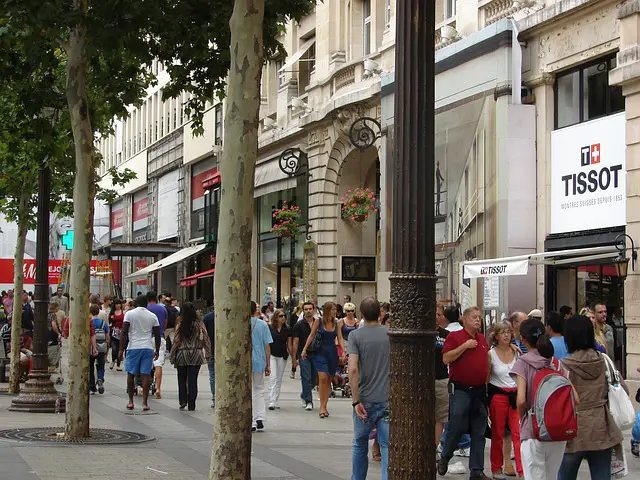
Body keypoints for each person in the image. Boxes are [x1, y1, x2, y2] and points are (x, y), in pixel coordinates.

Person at [558, 314, 624, 480]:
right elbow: (622, 388)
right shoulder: (604, 360)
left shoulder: (563, 366)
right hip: (601, 427)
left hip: (571, 430)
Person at [510, 318, 572, 479]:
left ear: (522, 339)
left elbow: (521, 400)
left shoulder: (523, 363)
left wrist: (522, 418)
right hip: (557, 431)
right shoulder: (557, 364)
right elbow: (575, 398)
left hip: (533, 430)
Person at [438, 306, 490, 479]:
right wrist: (465, 346)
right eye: (474, 317)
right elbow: (446, 358)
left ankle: (477, 470)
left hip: (479, 391)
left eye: (479, 317)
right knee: (457, 424)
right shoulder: (455, 337)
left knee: (479, 430)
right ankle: (445, 456)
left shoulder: (482, 339)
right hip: (460, 389)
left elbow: (487, 361)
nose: (478, 320)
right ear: (465, 319)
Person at [349, 297, 390, 480]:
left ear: (361, 315)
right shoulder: (391, 333)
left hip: (365, 399)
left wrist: (355, 400)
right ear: (380, 314)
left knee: (360, 443)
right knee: (387, 445)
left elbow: (353, 368)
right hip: (387, 397)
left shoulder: (355, 336)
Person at [487, 322, 523, 479]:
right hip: (498, 396)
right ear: (496, 336)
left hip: (515, 396)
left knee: (518, 434)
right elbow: (486, 379)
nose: (506, 335)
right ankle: (496, 468)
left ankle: (522, 470)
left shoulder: (517, 353)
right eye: (503, 332)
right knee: (498, 434)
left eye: (509, 332)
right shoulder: (491, 354)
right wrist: (486, 402)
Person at [301, 301, 346, 418]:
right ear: (327, 310)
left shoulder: (337, 323)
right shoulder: (319, 321)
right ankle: (321, 407)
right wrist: (304, 349)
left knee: (329, 379)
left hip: (332, 353)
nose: (334, 312)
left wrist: (344, 351)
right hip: (320, 352)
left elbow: (340, 337)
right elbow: (311, 335)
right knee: (322, 377)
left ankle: (325, 405)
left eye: (335, 309)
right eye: (332, 309)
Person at [118, 295, 161, 411]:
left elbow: (124, 332)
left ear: (136, 303)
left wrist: (121, 349)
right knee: (145, 374)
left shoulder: (129, 314)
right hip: (147, 347)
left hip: (133, 347)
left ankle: (131, 401)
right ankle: (145, 403)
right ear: (146, 304)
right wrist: (157, 349)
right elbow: (157, 334)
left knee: (131, 374)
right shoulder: (152, 316)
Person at [170, 302, 211, 411]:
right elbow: (206, 338)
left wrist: (172, 354)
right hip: (196, 353)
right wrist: (208, 353)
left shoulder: (180, 322)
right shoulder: (199, 323)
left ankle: (183, 400)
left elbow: (176, 340)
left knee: (181, 378)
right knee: (193, 380)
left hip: (182, 353)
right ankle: (192, 403)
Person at [250, 301, 272, 431]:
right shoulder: (263, 325)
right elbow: (267, 346)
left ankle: (251, 420)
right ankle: (259, 418)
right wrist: (268, 364)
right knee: (258, 389)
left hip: (245, 360)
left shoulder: (241, 324)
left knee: (248, 390)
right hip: (259, 359)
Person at [293, 302, 317, 411]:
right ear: (303, 311)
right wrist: (294, 358)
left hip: (316, 353)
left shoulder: (318, 323)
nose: (308, 311)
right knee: (306, 377)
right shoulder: (299, 325)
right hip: (304, 355)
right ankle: (309, 401)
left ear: (314, 310)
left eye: (310, 309)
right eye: (306, 309)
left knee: (315, 379)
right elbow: (295, 342)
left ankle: (304, 394)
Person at [146, 291, 167, 399]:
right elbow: (164, 324)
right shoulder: (163, 309)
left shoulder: (146, 308)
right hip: (160, 337)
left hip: (147, 338)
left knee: (147, 363)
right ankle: (158, 388)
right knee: (158, 363)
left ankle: (146, 386)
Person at [268, 308, 290, 410]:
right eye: (281, 316)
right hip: (272, 355)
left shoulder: (287, 329)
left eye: (284, 315)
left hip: (282, 355)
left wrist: (294, 358)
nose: (283, 318)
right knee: (273, 377)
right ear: (276, 317)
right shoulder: (270, 328)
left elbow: (289, 344)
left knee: (279, 378)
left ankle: (275, 399)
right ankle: (271, 401)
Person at [90, 304, 110, 395]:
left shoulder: (89, 322)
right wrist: (107, 345)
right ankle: (100, 378)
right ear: (98, 312)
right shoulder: (103, 323)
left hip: (91, 347)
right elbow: (107, 336)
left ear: (90, 312)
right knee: (101, 365)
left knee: (90, 367)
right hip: (101, 346)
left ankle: (92, 386)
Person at [202, 308, 215, 408]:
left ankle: (215, 398)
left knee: (213, 376)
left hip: (211, 350)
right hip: (225, 350)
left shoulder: (207, 318)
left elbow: (203, 334)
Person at [108, 299, 125, 371]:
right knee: (114, 348)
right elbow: (109, 322)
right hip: (113, 332)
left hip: (121, 332)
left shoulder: (123, 312)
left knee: (119, 349)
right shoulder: (112, 313)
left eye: (119, 304)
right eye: (116, 304)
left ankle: (118, 364)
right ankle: (113, 360)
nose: (118, 305)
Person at [289, 301, 304, 379]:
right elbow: (291, 326)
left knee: (301, 355)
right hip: (295, 336)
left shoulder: (304, 315)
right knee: (295, 354)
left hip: (302, 338)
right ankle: (293, 370)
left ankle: (302, 371)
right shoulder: (294, 315)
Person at [47, 301, 62, 372]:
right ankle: (52, 366)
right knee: (53, 350)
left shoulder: (46, 313)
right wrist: (58, 333)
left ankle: (49, 365)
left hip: (47, 334)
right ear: (56, 307)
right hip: (52, 335)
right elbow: (53, 325)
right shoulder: (53, 315)